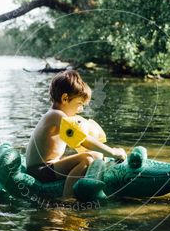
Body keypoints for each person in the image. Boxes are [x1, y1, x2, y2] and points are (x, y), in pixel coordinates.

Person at [26, 70, 127, 198]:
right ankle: (67, 199)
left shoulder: (56, 116)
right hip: (39, 171)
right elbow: (83, 140)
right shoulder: (56, 116)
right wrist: (113, 152)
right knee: (88, 158)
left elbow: (79, 144)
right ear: (65, 98)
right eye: (79, 103)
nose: (81, 109)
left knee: (93, 155)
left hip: (47, 167)